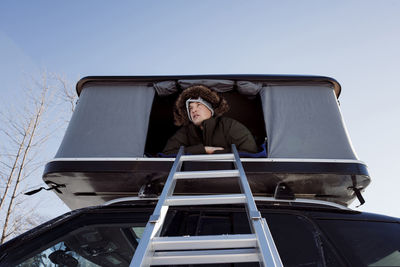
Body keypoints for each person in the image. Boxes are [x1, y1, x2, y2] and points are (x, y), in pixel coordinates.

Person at [163, 85, 258, 155]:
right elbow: (167, 154)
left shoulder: (229, 126)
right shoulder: (185, 132)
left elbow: (250, 153)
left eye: (198, 105)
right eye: (190, 108)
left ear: (210, 109)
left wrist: (216, 153)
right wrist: (204, 150)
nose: (194, 110)